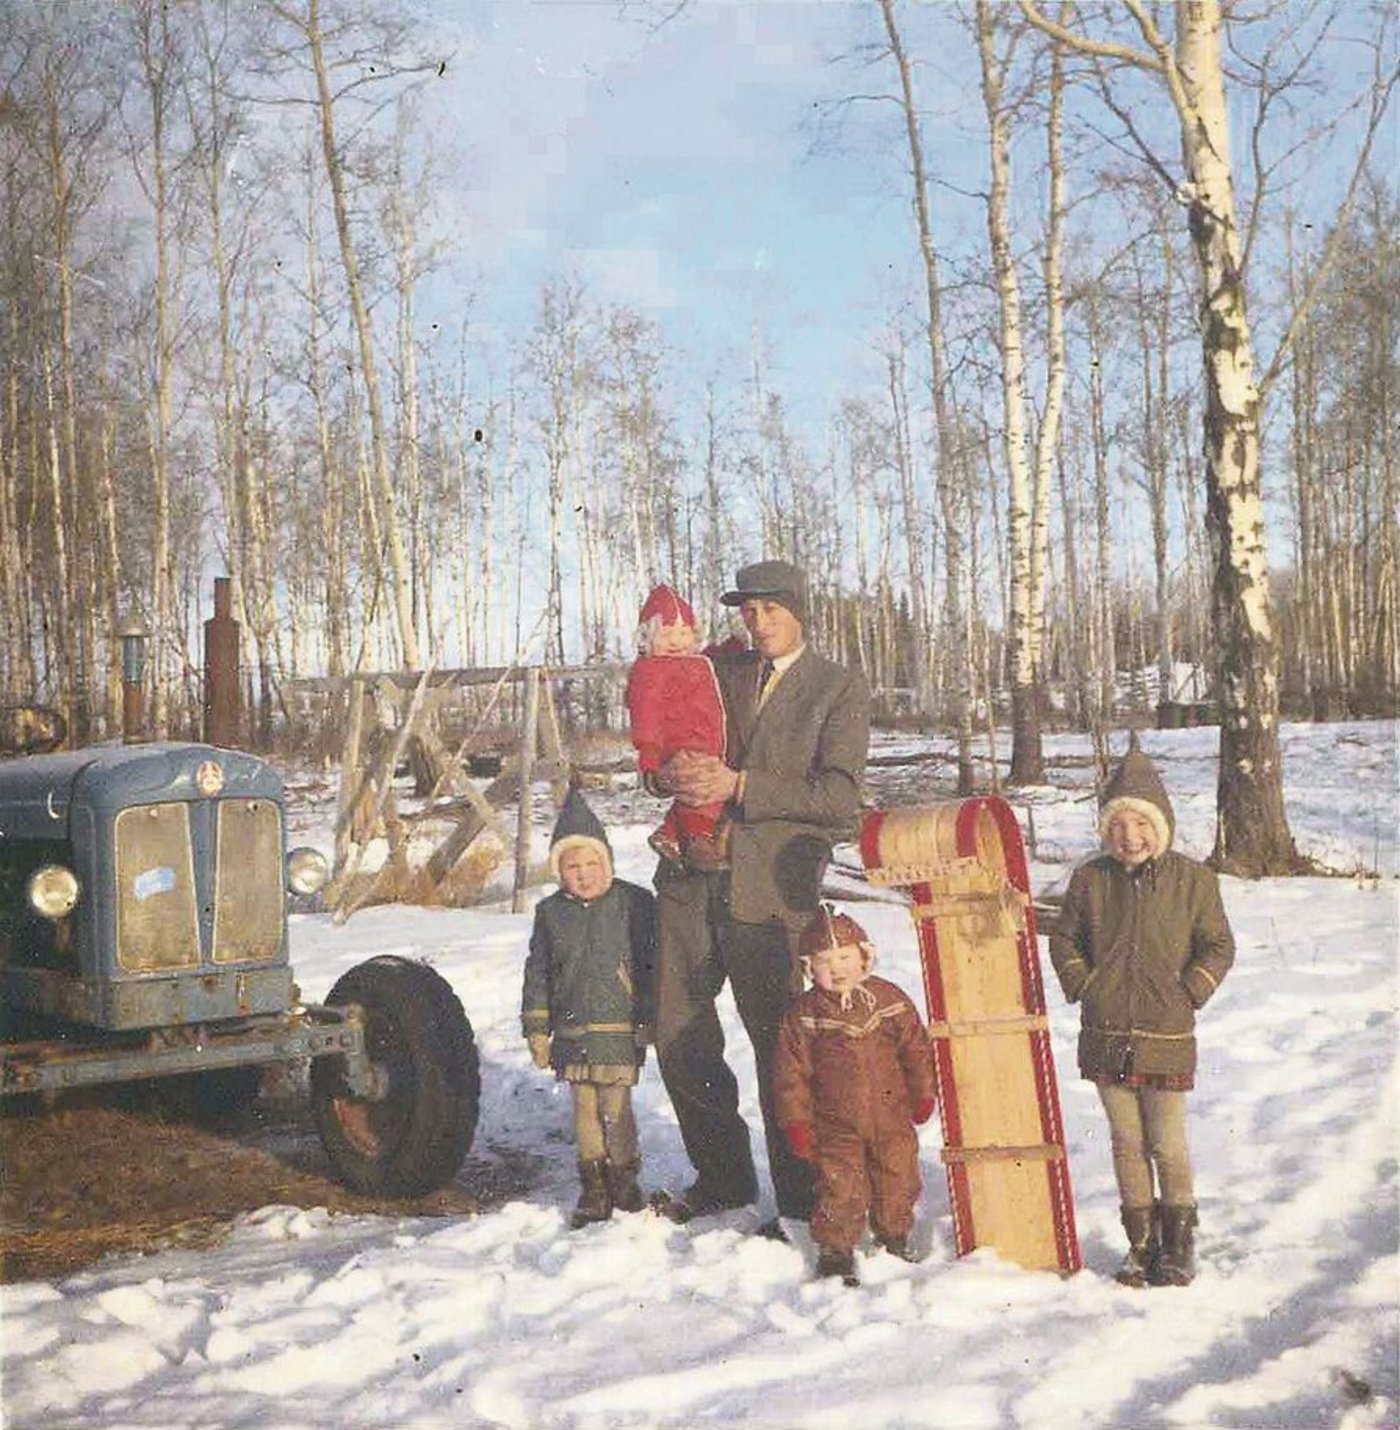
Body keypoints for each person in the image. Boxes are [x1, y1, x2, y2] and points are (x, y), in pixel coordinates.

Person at [647, 558, 872, 1235]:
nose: (759, 621)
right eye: (748, 610)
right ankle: (722, 1178)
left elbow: (841, 802)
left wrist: (739, 787)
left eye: (771, 609)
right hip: (689, 881)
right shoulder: (722, 671)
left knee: (782, 1048)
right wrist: (670, 776)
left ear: (800, 610)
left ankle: (802, 1203)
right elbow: (674, 735)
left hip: (771, 894)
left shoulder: (837, 687)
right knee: (677, 1034)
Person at [1049, 737, 1235, 1287]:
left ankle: (1178, 1245)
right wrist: (1085, 983)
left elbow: (1218, 945)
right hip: (1106, 1032)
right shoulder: (1090, 879)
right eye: (1118, 827)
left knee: (1166, 1143)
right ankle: (1141, 1245)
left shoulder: (1193, 881)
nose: (1129, 838)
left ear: (1162, 826)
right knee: (1126, 1144)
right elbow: (1065, 939)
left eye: (1141, 826)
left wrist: (1190, 990)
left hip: (1166, 1032)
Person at [773, 905, 936, 1286]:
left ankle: (894, 1235)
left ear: (865, 957)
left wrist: (923, 1093)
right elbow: (790, 1075)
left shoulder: (888, 999)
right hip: (835, 1124)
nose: (837, 968)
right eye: (824, 961)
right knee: (839, 1186)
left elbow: (917, 1049)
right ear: (809, 968)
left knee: (898, 1176)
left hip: (891, 1115)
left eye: (845, 957)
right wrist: (796, 1122)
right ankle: (835, 1249)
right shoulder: (803, 1016)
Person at [522, 787, 658, 1229]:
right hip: (573, 1030)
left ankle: (624, 1178)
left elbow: (651, 963)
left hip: (618, 1026)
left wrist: (649, 1016)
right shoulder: (550, 913)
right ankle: (593, 1184)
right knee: (584, 1108)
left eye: (592, 863)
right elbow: (538, 972)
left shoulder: (632, 904)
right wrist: (537, 1030)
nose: (583, 874)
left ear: (609, 863)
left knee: (617, 1107)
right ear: (558, 870)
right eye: (572, 866)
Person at [625, 583, 728, 867]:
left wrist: (727, 650)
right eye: (666, 633)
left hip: (704, 740)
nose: (676, 641)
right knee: (701, 791)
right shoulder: (650, 671)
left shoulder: (693, 662)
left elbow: (709, 669)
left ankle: (670, 833)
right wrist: (649, 759)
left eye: (684, 632)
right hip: (683, 743)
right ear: (648, 636)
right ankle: (697, 839)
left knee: (700, 791)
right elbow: (645, 717)